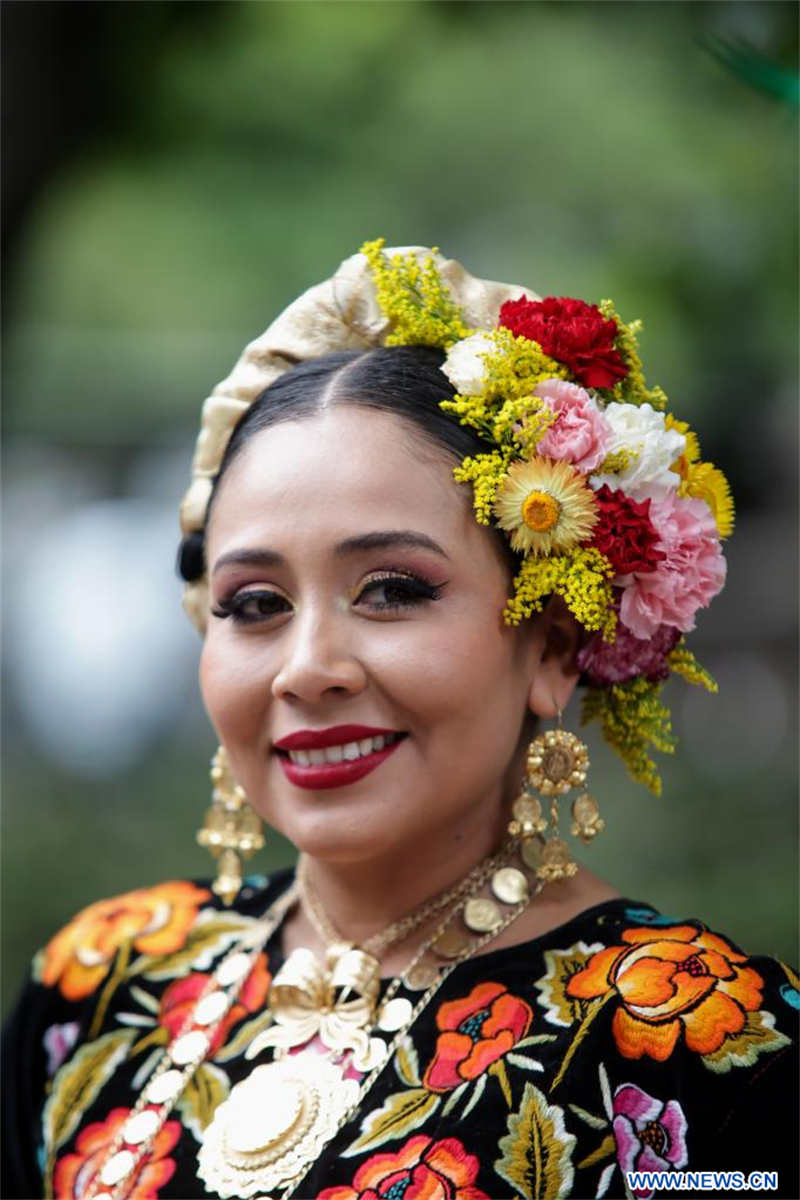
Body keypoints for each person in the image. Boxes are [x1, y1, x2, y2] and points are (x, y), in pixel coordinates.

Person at [2, 242, 797, 1200]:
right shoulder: (101, 985)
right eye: (254, 604)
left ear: (548, 647)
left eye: (391, 590)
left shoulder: (707, 1045)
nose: (307, 669)